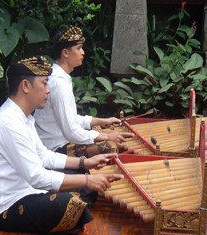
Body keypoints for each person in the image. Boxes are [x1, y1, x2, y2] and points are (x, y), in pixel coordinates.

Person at [0, 56, 123, 235]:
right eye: (44, 84)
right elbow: (36, 177)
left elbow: (44, 156)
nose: (48, 91)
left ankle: (64, 221)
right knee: (71, 204)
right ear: (25, 86)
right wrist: (88, 180)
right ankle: (64, 221)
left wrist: (85, 163)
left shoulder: (24, 118)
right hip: (4, 207)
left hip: (28, 191)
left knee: (79, 191)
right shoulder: (9, 123)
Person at [34, 26, 133, 158]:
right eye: (79, 48)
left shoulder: (61, 77)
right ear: (65, 53)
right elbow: (71, 131)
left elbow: (71, 120)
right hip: (54, 148)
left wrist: (102, 121)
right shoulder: (58, 82)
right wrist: (108, 136)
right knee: (110, 146)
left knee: (114, 139)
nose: (83, 52)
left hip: (62, 141)